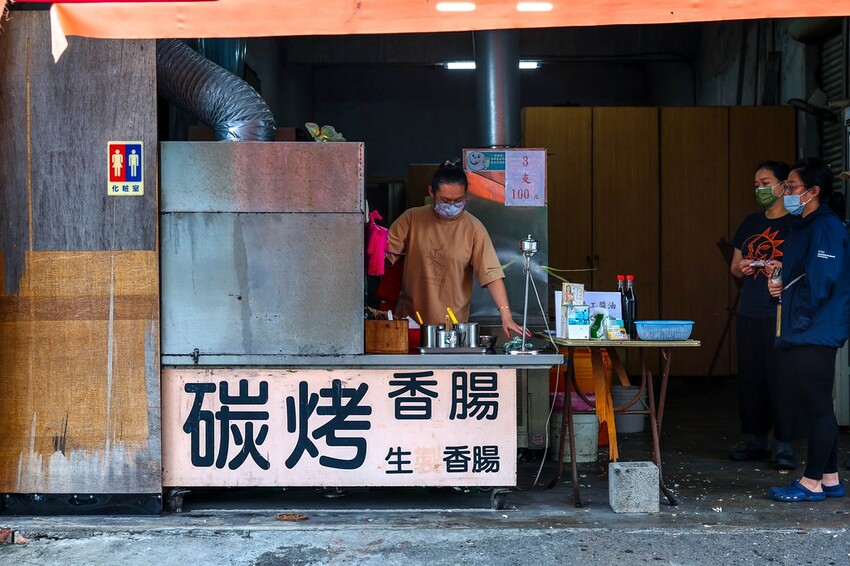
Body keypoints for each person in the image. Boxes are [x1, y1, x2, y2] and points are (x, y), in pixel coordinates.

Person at [767, 157, 850, 502]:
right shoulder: (804, 223)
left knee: (817, 406)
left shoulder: (826, 226)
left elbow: (821, 282)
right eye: (785, 186)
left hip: (815, 328)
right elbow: (802, 273)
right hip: (805, 326)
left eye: (792, 186)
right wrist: (779, 279)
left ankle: (811, 481)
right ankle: (830, 478)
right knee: (817, 403)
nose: (785, 191)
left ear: (814, 191)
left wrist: (798, 321)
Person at [385, 161, 528, 338]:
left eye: (458, 201)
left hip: (452, 329)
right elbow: (384, 256)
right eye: (445, 201)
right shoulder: (412, 219)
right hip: (410, 323)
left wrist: (506, 315)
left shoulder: (473, 228)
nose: (452, 206)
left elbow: (491, 273)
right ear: (431, 192)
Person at [727, 161, 801, 470]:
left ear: (784, 185)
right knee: (752, 377)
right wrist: (742, 268)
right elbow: (734, 265)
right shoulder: (749, 223)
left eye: (765, 182)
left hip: (781, 312)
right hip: (749, 309)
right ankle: (758, 442)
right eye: (756, 183)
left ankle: (784, 445)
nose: (759, 188)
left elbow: (803, 269)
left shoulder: (798, 225)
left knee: (782, 378)